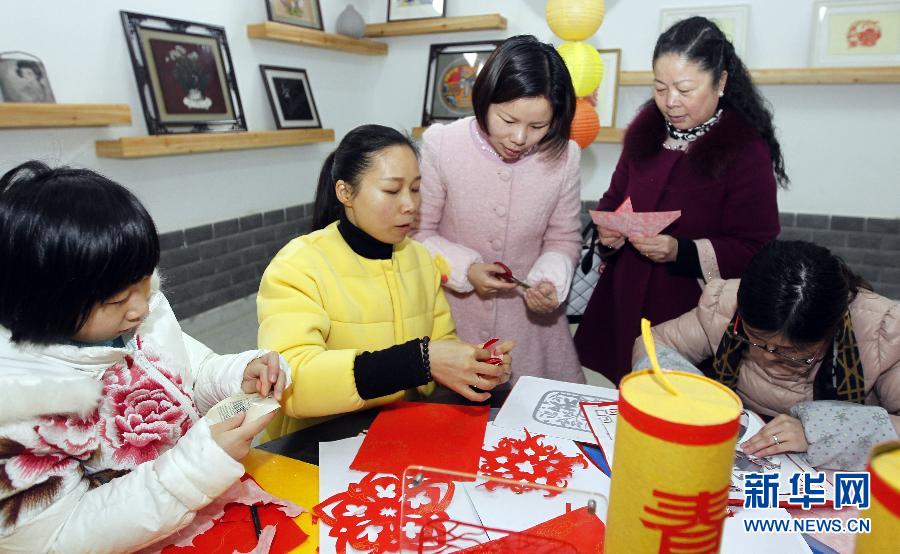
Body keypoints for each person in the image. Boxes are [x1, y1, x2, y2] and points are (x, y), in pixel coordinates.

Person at [0, 162, 288, 551]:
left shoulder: (137, 316)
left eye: (143, 282)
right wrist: (195, 469)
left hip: (198, 507)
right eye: (118, 299)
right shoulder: (18, 408)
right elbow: (57, 538)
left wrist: (238, 376)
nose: (141, 307)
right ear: (44, 303)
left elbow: (191, 373)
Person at [257, 124, 513, 439]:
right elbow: (291, 380)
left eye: (415, 189)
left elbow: (440, 345)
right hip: (317, 441)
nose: (410, 205)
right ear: (345, 192)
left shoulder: (419, 258)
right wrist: (418, 362)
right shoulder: (297, 266)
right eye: (392, 191)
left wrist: (473, 365)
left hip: (401, 433)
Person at [575, 17, 786, 384]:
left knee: (674, 398)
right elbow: (614, 198)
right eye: (660, 88)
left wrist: (680, 251)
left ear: (721, 82)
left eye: (685, 89)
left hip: (690, 314)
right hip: (624, 297)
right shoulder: (645, 132)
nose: (670, 102)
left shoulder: (744, 150)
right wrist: (607, 229)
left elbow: (757, 246)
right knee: (619, 395)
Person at [633, 241, 899, 470]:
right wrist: (691, 396)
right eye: (755, 340)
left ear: (831, 332)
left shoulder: (882, 333)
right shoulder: (725, 305)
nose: (769, 358)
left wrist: (822, 432)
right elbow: (656, 343)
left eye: (792, 354)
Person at [412, 34, 584, 388]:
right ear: (485, 99)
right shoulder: (442, 144)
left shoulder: (564, 157)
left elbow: (564, 238)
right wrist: (467, 270)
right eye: (507, 120)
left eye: (537, 127)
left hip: (530, 331)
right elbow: (418, 233)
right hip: (452, 321)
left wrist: (548, 282)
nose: (520, 137)